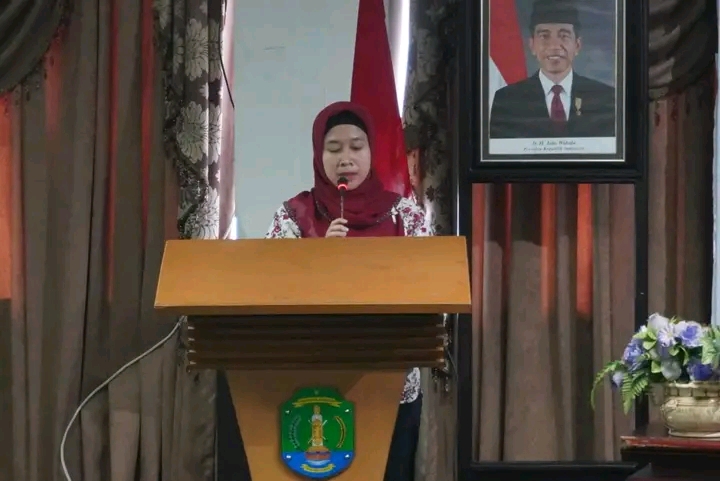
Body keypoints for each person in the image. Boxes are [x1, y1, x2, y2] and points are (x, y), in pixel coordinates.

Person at [266, 101, 430, 481]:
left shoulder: (406, 216)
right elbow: (270, 290)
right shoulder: (293, 215)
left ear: (372, 151)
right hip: (312, 386)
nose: (346, 159)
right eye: (334, 148)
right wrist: (317, 261)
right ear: (318, 154)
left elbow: (428, 291)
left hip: (390, 384)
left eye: (357, 146)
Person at [489, 0, 615, 139]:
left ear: (577, 45)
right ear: (532, 45)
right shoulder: (507, 101)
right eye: (544, 36)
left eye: (564, 36)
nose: (554, 46)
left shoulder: (605, 99)